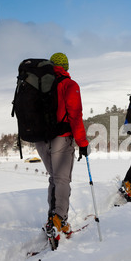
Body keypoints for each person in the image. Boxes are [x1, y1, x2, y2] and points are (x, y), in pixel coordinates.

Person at [35, 52, 89, 240]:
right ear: (66, 66)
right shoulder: (69, 85)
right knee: (62, 179)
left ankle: (52, 217)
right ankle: (60, 220)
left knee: (54, 178)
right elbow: (75, 115)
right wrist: (82, 143)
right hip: (61, 138)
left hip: (40, 139)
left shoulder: (38, 84)